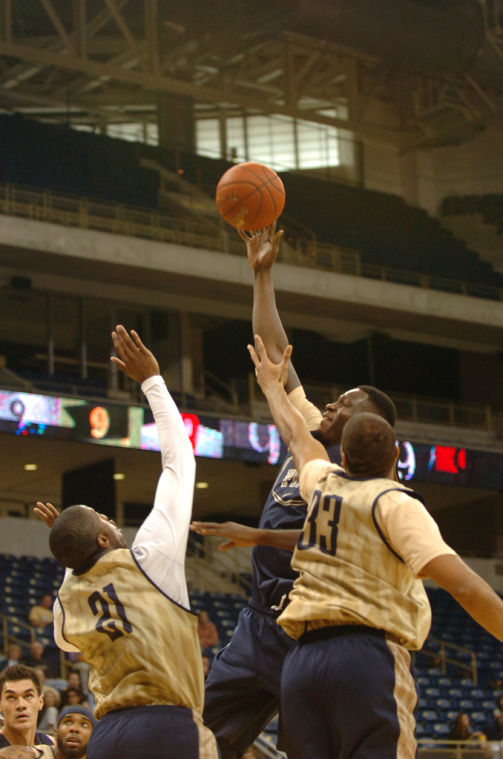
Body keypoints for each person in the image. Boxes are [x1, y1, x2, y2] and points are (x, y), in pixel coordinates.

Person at [192, 225, 398, 759]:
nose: (332, 404)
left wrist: (255, 534)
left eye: (347, 404)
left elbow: (323, 538)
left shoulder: (368, 485)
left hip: (312, 636)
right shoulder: (306, 431)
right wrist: (262, 275)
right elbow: (275, 352)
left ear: (369, 428)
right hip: (257, 624)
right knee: (199, 740)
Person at [247, 334, 503, 759]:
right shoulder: (395, 503)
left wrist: (272, 387)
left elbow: (296, 436)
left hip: (302, 663)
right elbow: (467, 589)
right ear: (397, 457)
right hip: (365, 658)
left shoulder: (322, 483)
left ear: (342, 458)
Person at [34, 326, 218, 759]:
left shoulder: (68, 601)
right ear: (103, 537)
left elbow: (63, 636)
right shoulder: (148, 557)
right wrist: (153, 381)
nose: (111, 518)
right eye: (103, 518)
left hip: (110, 735)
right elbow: (179, 463)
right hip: (168, 725)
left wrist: (68, 552)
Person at [0, 705, 95, 759]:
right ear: (56, 734)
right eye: (68, 722)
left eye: (84, 724)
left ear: (94, 737)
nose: (74, 729)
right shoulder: (35, 755)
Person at [0, 665, 54, 748]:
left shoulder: (53, 747)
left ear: (40, 701)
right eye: (11, 697)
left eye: (28, 696)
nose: (21, 705)